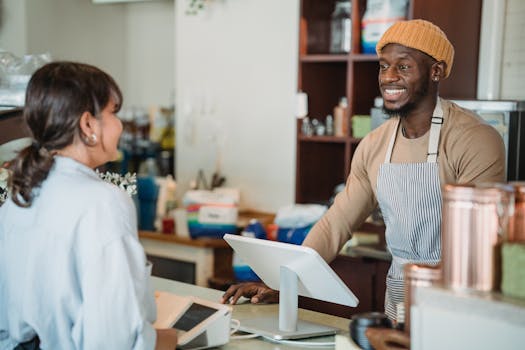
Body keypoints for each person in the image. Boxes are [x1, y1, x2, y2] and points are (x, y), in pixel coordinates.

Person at [222, 19, 505, 323]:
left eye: (404, 67)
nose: (389, 77)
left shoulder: (474, 139)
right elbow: (335, 225)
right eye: (383, 66)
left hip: (460, 301)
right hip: (398, 298)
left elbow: (476, 245)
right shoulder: (374, 145)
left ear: (435, 71)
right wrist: (281, 283)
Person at [0, 62, 178, 349]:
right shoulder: (102, 200)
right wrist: (169, 341)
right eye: (113, 113)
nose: (120, 125)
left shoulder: (19, 196)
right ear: (87, 125)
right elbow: (113, 339)